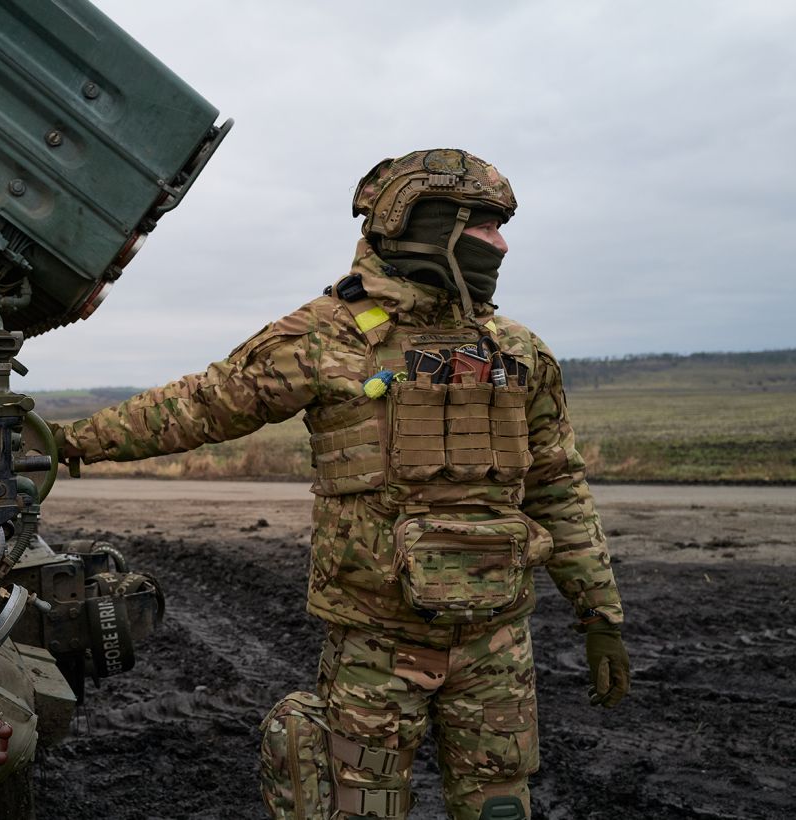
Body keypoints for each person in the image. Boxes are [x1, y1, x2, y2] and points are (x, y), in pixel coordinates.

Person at [54, 149, 629, 820]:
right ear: (423, 224)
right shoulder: (327, 336)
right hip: (376, 646)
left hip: (496, 643)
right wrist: (68, 440)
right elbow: (203, 405)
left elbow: (558, 486)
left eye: (502, 228)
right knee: (364, 806)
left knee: (501, 807)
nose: (500, 245)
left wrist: (600, 615)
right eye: (484, 226)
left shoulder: (518, 352)